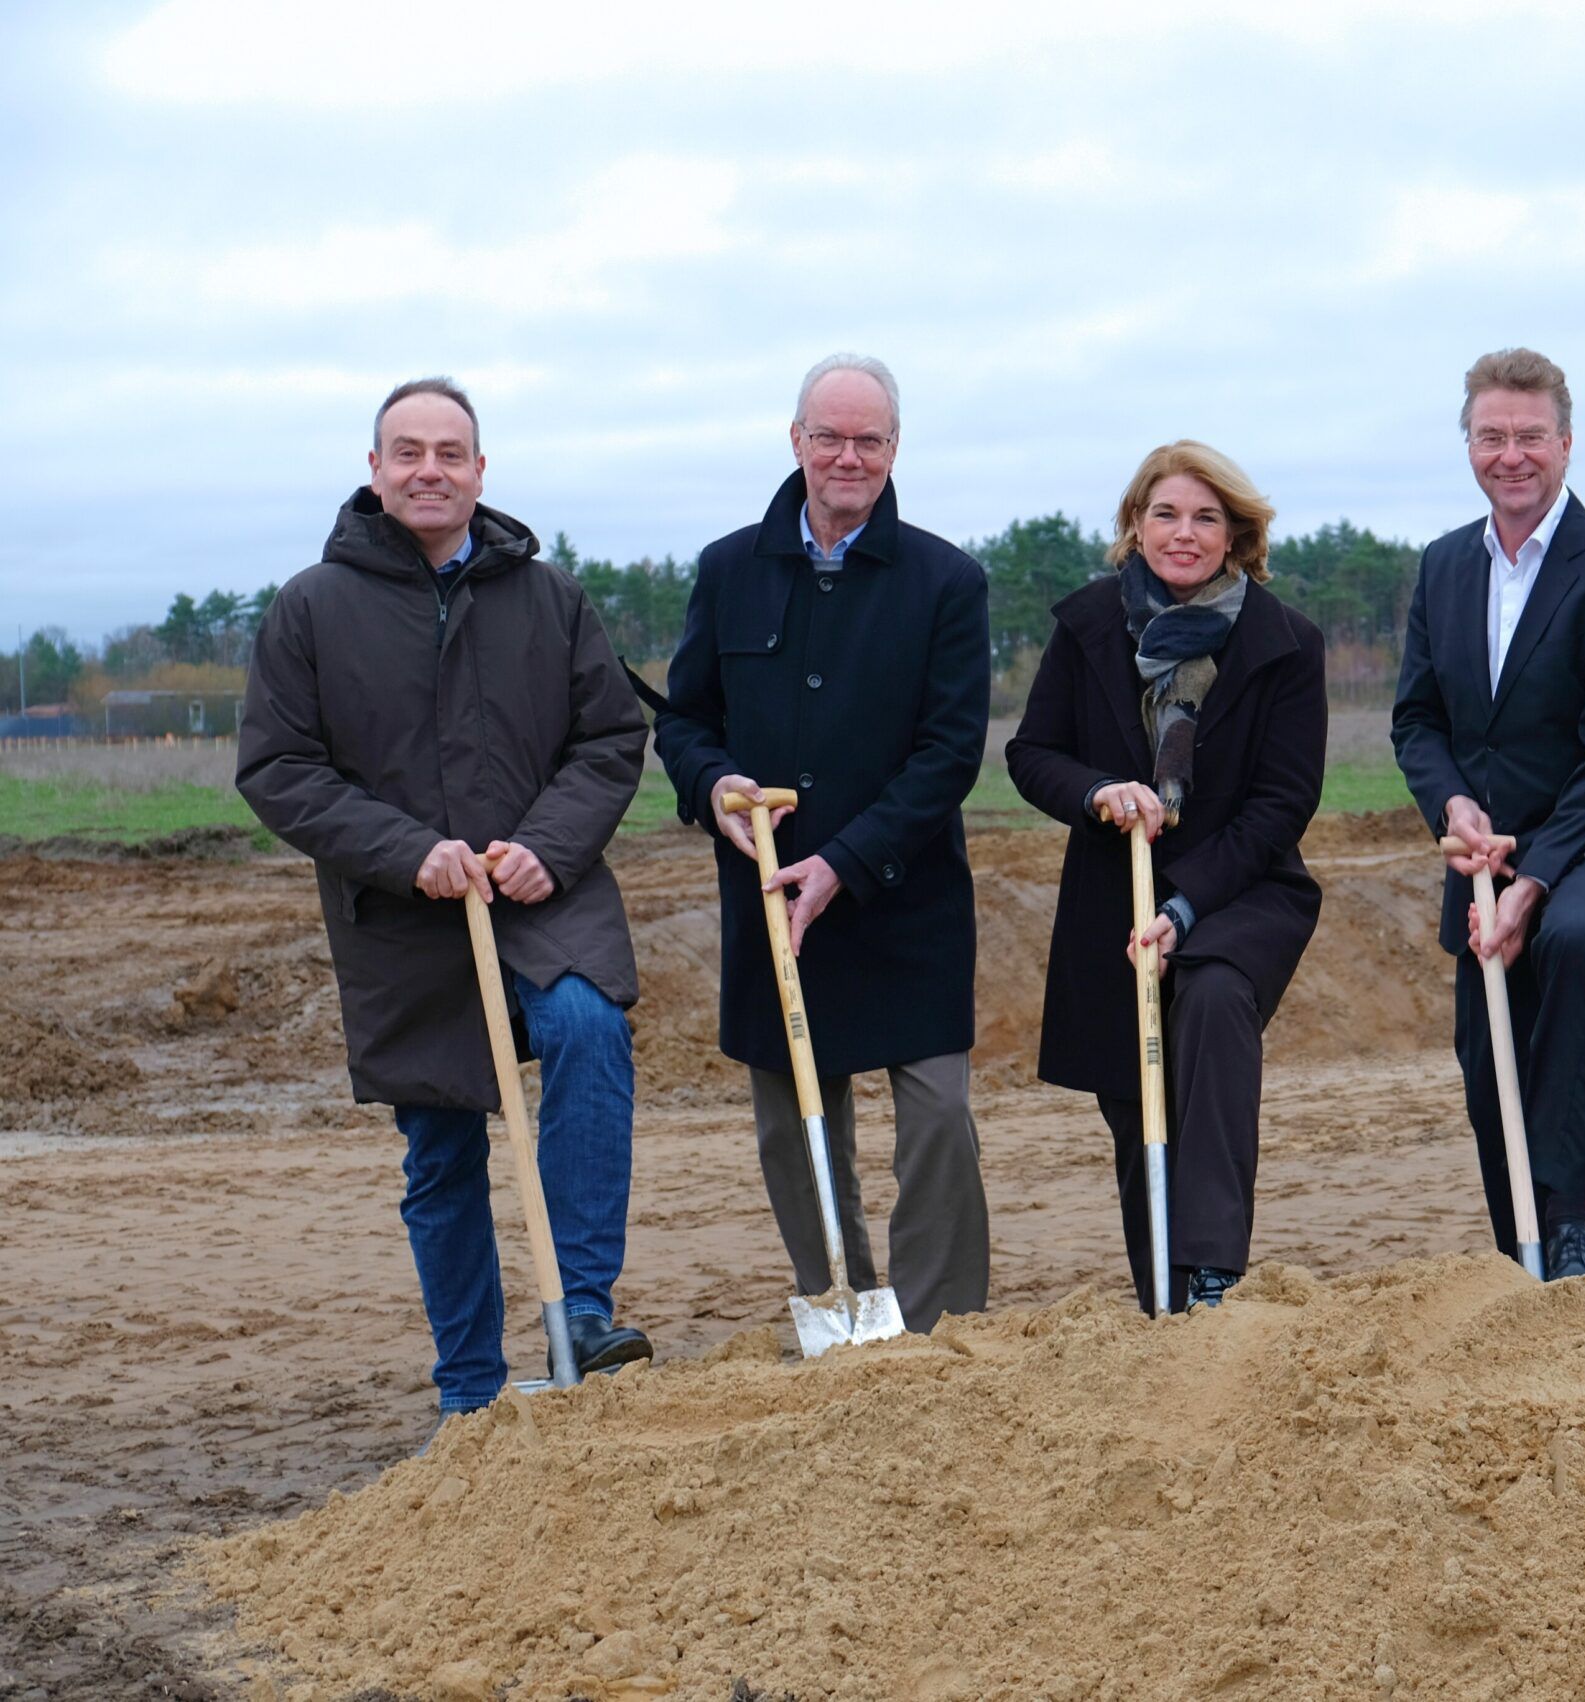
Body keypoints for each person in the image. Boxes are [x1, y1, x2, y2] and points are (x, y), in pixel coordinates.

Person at [237, 377, 653, 1419]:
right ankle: (470, 1391)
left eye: (450, 453)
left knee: (587, 1026)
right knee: (442, 1140)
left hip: (540, 892)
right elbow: (279, 769)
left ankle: (585, 1314)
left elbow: (608, 740)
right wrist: (407, 850)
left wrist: (546, 848)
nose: (430, 469)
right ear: (375, 469)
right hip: (404, 914)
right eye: (408, 452)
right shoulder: (311, 608)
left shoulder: (548, 598)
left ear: (480, 471)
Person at [650, 353, 991, 1332]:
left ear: (894, 448)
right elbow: (684, 723)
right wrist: (711, 783)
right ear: (795, 440)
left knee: (934, 1118)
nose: (849, 456)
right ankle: (835, 1297)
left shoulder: (945, 580)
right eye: (829, 436)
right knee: (794, 1121)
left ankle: (938, 1324)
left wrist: (845, 862)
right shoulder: (726, 569)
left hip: (905, 895)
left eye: (869, 439)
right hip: (767, 892)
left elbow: (949, 750)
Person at [1391, 348, 1585, 1281]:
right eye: (1492, 436)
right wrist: (1454, 807)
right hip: (1480, 847)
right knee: (1486, 1050)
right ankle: (1517, 1249)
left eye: (1531, 436)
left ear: (1566, 444)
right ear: (1469, 445)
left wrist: (1533, 880)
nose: (1512, 454)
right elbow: (1417, 719)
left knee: (1569, 940)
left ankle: (1570, 1224)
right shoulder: (1445, 566)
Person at [1006, 441, 1326, 1312]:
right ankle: (1164, 1298)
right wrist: (1098, 790)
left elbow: (1283, 801)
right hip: (1117, 891)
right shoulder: (1085, 628)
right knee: (1135, 1098)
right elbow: (1031, 754)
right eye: (1166, 514)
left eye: (1206, 518)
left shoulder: (1286, 642)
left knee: (1216, 1003)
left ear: (1237, 533)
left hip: (1243, 887)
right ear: (1135, 525)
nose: (1184, 534)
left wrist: (1188, 906)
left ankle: (1214, 1271)